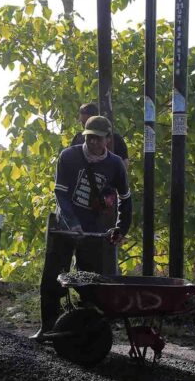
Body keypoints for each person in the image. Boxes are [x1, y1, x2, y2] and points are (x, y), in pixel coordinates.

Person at [32, 115, 132, 341]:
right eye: (90, 138)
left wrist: (121, 229)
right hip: (64, 227)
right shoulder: (69, 157)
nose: (94, 143)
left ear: (108, 139)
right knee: (52, 277)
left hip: (92, 228)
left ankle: (85, 328)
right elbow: (61, 193)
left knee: (90, 279)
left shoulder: (115, 164)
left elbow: (126, 198)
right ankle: (48, 325)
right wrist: (72, 222)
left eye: (99, 139)